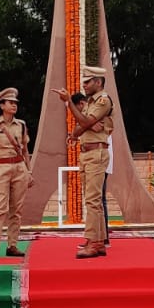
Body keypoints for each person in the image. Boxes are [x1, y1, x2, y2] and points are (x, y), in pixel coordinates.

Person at [55, 66, 113, 258]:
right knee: (93, 200)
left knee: (93, 200)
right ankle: (98, 241)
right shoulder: (90, 103)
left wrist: (69, 103)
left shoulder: (103, 100)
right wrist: (86, 124)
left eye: (87, 82)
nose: (84, 85)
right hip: (88, 153)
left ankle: (93, 242)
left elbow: (84, 122)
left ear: (98, 82)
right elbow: (79, 127)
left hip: (96, 153)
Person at [0, 87, 31, 257]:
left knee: (16, 209)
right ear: (2, 105)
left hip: (19, 167)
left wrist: (29, 171)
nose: (14, 105)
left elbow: (25, 150)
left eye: (15, 103)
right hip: (1, 167)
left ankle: (12, 245)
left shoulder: (21, 125)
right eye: (10, 103)